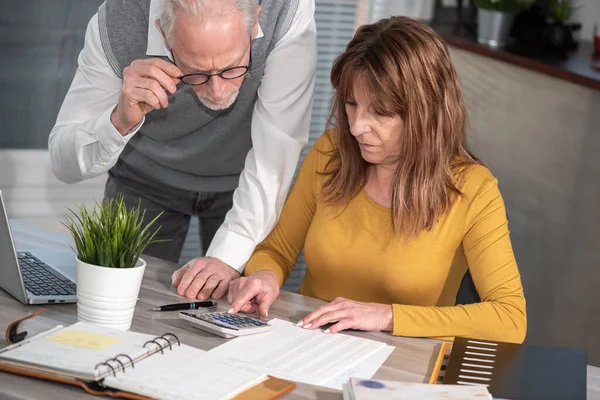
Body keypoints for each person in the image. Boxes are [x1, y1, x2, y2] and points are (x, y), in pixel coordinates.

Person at [227, 16, 527, 343]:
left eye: (380, 113)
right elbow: (277, 249)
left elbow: (510, 318)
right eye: (351, 104)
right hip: (308, 345)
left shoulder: (472, 188)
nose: (356, 127)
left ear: (426, 114)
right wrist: (264, 276)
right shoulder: (331, 152)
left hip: (402, 364)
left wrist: (386, 315)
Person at [48, 0, 317, 301]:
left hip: (245, 182)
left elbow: (277, 148)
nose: (217, 92)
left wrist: (228, 256)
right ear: (163, 33)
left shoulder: (286, 11)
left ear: (255, 19)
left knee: (235, 314)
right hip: (144, 178)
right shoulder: (118, 19)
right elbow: (63, 163)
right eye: (195, 72)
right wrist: (119, 120)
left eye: (232, 68)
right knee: (121, 303)